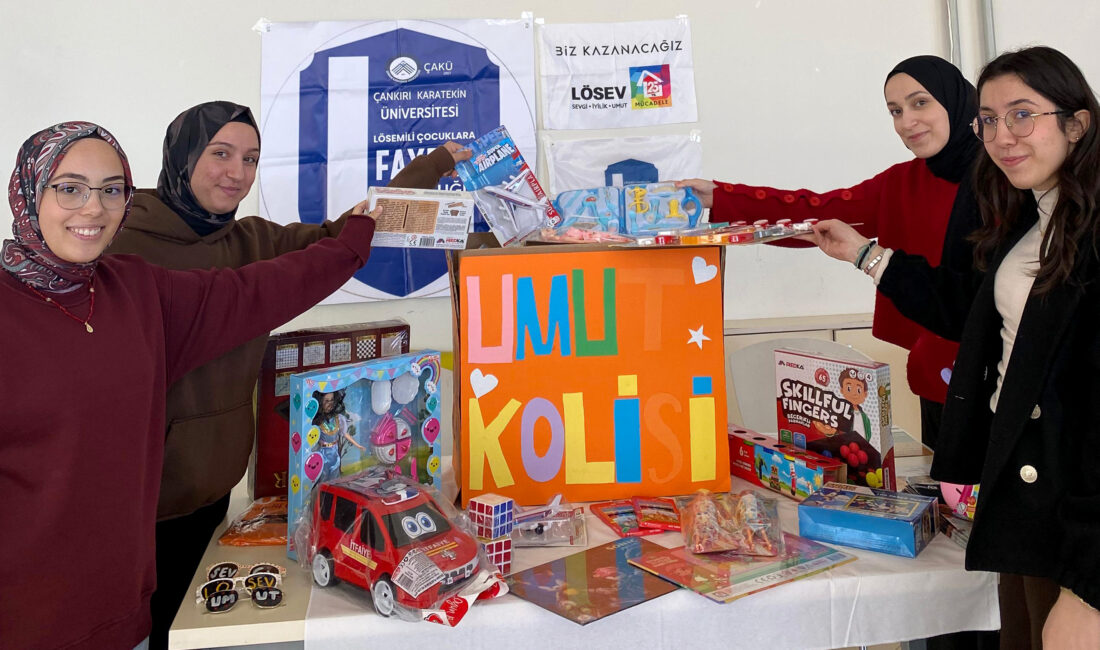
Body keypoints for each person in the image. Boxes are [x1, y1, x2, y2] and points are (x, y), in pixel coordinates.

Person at [102, 101, 469, 649]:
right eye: (219, 153)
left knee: (197, 636)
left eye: (250, 159)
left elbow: (343, 236)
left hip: (212, 498)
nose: (236, 173)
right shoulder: (119, 242)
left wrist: (431, 166)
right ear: (180, 158)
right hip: (133, 508)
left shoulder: (250, 241)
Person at [0, 121, 379, 649]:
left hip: (124, 612)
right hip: (24, 621)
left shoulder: (134, 290)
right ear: (28, 191)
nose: (93, 209)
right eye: (69, 188)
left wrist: (354, 242)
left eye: (112, 190)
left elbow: (257, 291)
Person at [807, 45, 1100, 649]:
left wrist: (1090, 584)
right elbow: (964, 306)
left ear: (1076, 123)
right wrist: (864, 254)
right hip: (1021, 486)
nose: (1003, 135)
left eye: (1023, 114)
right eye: (989, 119)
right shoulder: (1026, 213)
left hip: (1073, 507)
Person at [678, 55, 981, 453]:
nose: (907, 122)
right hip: (936, 381)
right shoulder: (901, 183)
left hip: (1005, 382)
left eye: (920, 102)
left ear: (956, 101)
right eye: (895, 111)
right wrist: (720, 197)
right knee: (954, 504)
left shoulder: (1006, 179)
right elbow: (816, 214)